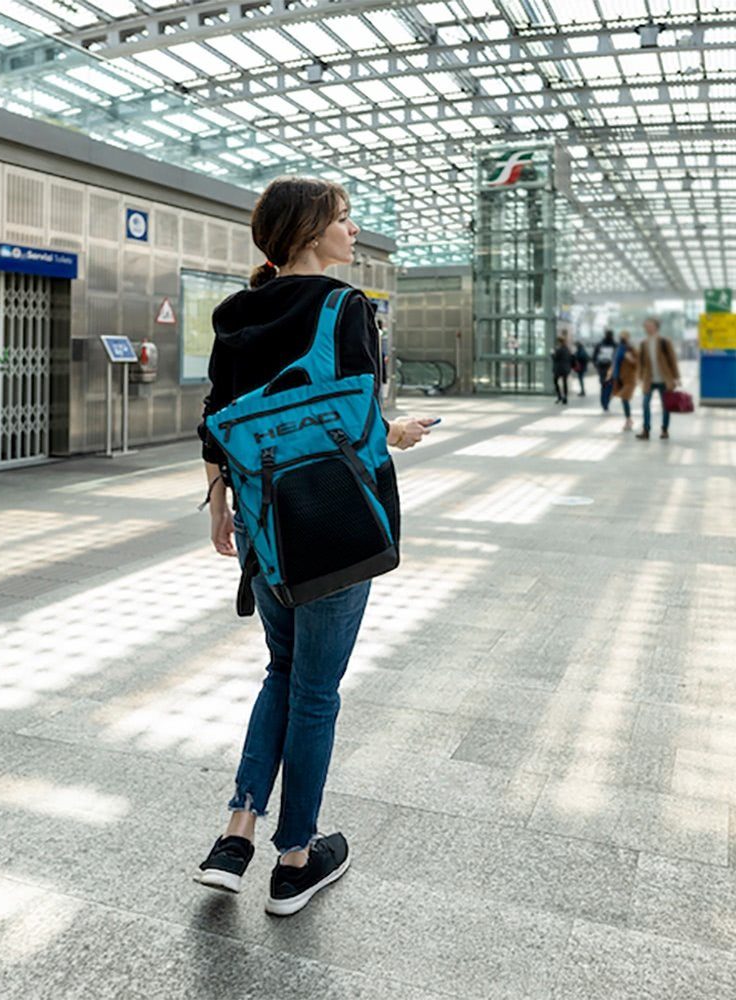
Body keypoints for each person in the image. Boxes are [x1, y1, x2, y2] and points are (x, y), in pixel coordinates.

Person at [195, 176, 433, 917]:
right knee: (315, 691)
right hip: (331, 526)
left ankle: (236, 835)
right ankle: (295, 857)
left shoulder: (236, 311)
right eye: (342, 219)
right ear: (307, 233)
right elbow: (359, 428)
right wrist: (398, 434)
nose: (353, 230)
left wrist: (218, 503)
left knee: (283, 669)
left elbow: (215, 417)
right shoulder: (343, 306)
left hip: (265, 527)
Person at [635, 317, 681, 440]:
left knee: (666, 405)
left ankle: (664, 430)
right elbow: (640, 362)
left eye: (649, 325)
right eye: (645, 326)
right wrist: (639, 377)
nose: (647, 328)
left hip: (664, 379)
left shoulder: (665, 342)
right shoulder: (643, 343)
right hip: (649, 380)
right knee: (645, 404)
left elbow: (672, 360)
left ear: (656, 327)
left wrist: (676, 377)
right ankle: (646, 430)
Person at [610, 331, 638, 431]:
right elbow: (615, 363)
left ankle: (629, 420)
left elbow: (638, 363)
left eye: (624, 337)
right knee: (623, 399)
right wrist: (611, 375)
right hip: (619, 378)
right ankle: (628, 419)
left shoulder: (631, 349)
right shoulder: (618, 349)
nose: (622, 338)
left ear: (628, 338)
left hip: (630, 379)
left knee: (625, 398)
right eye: (621, 336)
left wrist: (631, 359)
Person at [592, 329, 617, 411]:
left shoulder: (600, 344)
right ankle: (605, 402)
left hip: (603, 368)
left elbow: (594, 356)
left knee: (604, 385)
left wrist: (596, 365)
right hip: (609, 368)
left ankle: (604, 402)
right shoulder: (615, 345)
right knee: (608, 386)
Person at [551, 333, 572, 404]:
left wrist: (552, 354)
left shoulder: (559, 349)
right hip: (566, 368)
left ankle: (559, 396)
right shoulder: (567, 349)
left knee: (555, 381)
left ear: (559, 342)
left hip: (559, 369)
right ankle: (565, 397)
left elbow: (555, 358)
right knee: (564, 382)